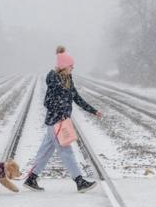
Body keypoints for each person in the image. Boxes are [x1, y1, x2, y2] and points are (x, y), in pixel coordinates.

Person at [23, 46, 102, 193]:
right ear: (64, 66)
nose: (73, 67)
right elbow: (47, 102)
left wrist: (93, 110)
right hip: (56, 122)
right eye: (71, 65)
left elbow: (76, 97)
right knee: (67, 152)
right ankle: (79, 181)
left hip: (59, 122)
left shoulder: (67, 79)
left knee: (45, 152)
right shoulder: (53, 80)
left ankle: (31, 179)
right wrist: (60, 112)